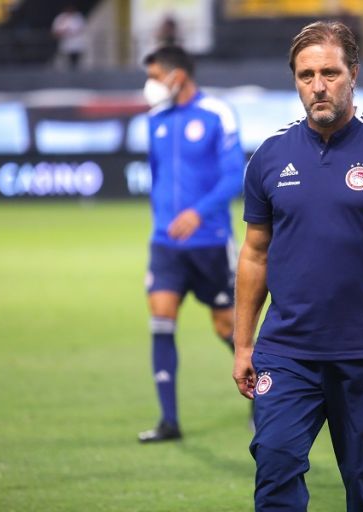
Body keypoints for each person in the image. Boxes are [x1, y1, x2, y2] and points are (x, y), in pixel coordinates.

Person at [233, 21, 363, 511]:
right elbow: (254, 254)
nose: (318, 86)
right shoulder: (269, 157)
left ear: (354, 74)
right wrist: (243, 344)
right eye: (306, 75)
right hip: (287, 351)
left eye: (330, 73)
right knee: (274, 465)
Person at [138, 45, 245, 443]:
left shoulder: (217, 113)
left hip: (210, 242)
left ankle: (261, 400)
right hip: (165, 244)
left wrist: (198, 213)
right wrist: (162, 222)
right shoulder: (155, 120)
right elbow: (157, 177)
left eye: (154, 76)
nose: (149, 85)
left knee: (226, 326)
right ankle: (169, 421)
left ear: (177, 75)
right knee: (161, 320)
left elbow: (234, 176)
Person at [51, 5, 87, 69]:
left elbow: (80, 29)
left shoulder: (78, 17)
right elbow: (55, 31)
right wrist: (64, 32)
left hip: (76, 44)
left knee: (76, 61)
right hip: (64, 44)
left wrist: (70, 32)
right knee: (64, 61)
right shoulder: (61, 18)